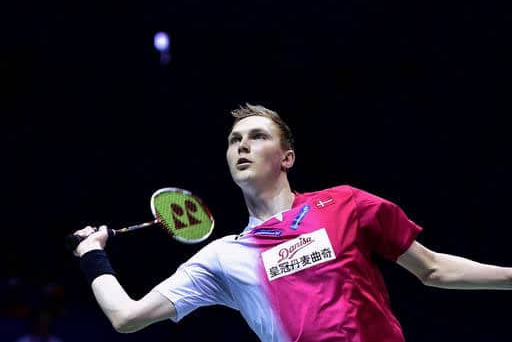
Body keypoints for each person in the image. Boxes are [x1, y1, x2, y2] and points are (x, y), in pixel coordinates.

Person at [72, 103, 512, 342]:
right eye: (233, 141)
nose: (241, 146)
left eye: (256, 136)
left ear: (287, 158)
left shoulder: (345, 204)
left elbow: (434, 269)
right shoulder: (225, 258)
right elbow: (126, 317)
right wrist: (92, 255)